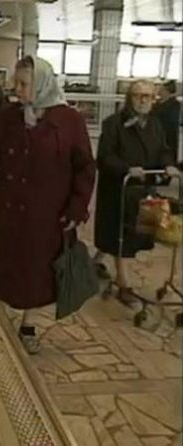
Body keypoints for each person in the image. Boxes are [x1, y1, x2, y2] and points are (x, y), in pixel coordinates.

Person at [0, 56, 96, 354]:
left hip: (45, 214)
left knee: (35, 273)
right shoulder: (8, 115)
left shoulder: (68, 121)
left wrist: (77, 209)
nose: (18, 90)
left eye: (24, 84)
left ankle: (28, 324)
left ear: (42, 83)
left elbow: (85, 168)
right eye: (16, 83)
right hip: (9, 208)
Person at [94, 80, 178, 305]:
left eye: (148, 96)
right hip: (118, 189)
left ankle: (100, 258)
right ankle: (124, 284)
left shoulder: (155, 124)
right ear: (129, 98)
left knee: (134, 236)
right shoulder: (113, 124)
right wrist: (126, 168)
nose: (143, 101)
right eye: (138, 96)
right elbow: (104, 157)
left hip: (143, 191)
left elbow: (163, 150)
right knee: (121, 237)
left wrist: (168, 165)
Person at [153, 80, 181, 165]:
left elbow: (170, 122)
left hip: (167, 136)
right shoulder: (156, 104)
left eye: (161, 89)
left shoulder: (175, 105)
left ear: (167, 91)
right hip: (155, 134)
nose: (159, 91)